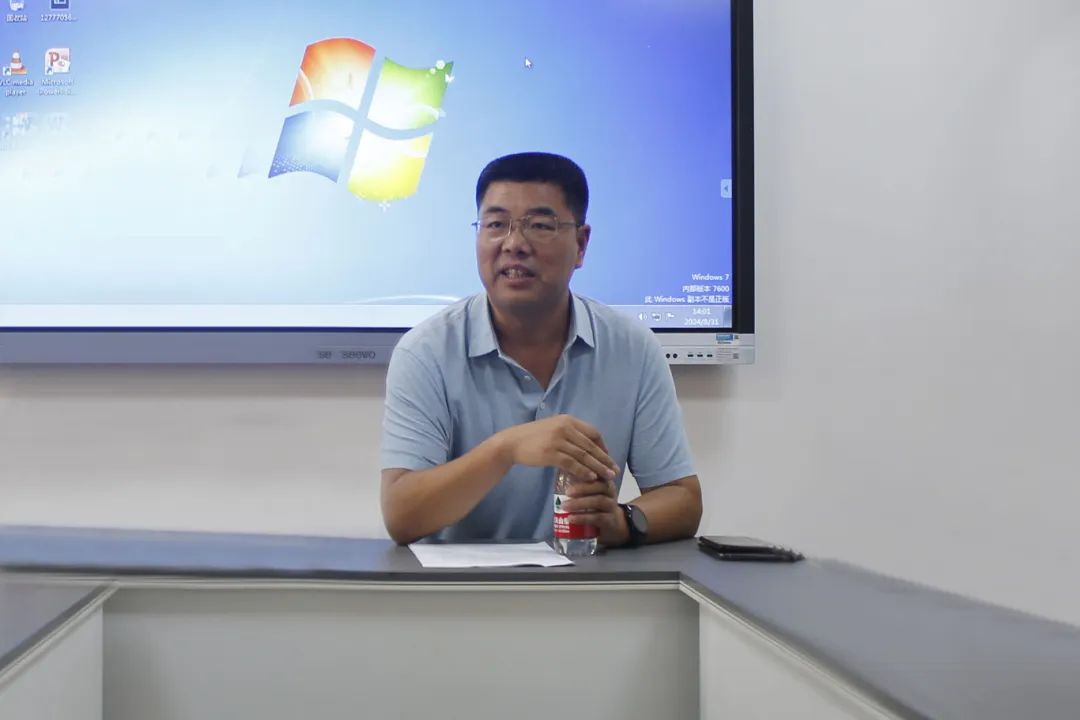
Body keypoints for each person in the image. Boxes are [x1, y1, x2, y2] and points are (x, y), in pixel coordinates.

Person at [380, 152, 702, 546]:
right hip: (462, 583)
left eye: (539, 226)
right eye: (495, 224)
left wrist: (623, 522)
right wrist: (505, 449)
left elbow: (683, 498)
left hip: (588, 581)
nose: (514, 244)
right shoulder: (426, 352)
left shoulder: (632, 348)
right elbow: (401, 515)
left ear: (581, 244)